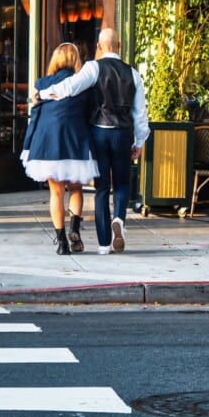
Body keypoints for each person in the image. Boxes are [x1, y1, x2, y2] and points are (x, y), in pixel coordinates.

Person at [39, 28, 149, 255]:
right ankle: (118, 219)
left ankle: (103, 244)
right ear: (119, 45)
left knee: (101, 189)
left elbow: (70, 88)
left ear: (99, 47)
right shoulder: (133, 74)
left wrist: (42, 93)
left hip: (99, 132)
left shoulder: (93, 67)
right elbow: (140, 113)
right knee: (121, 184)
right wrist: (139, 141)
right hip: (123, 133)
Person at [21, 43, 97, 255]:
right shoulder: (82, 83)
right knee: (75, 188)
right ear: (76, 60)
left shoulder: (42, 83)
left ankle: (62, 241)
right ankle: (75, 229)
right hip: (75, 142)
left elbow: (36, 113)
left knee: (56, 193)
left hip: (49, 144)